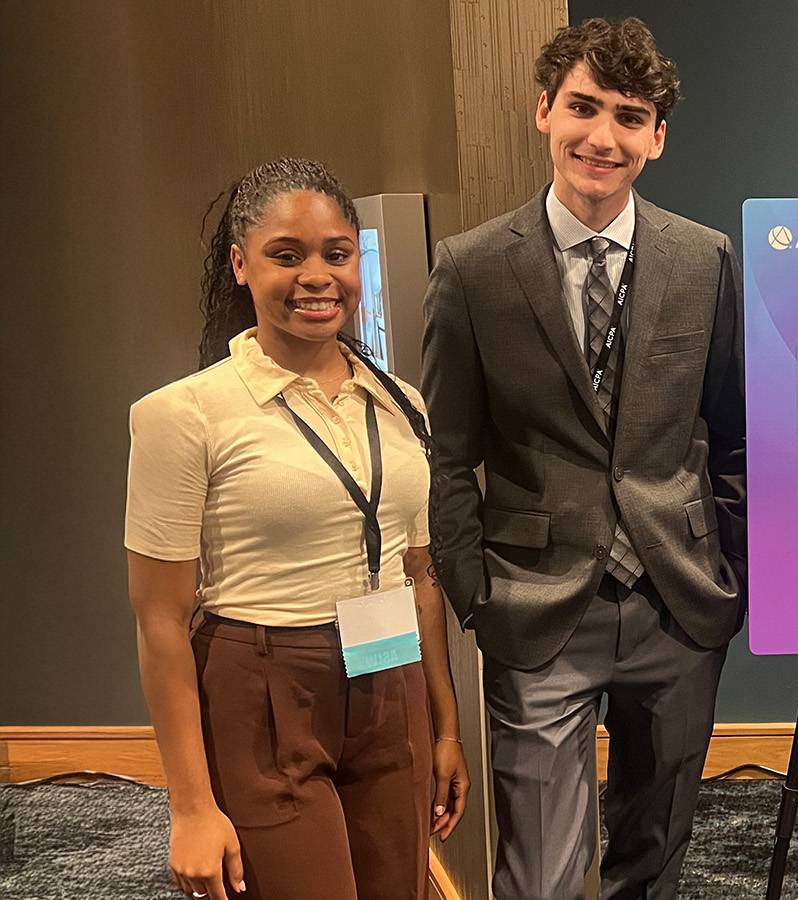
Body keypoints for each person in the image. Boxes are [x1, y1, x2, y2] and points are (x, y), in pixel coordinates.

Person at [420, 17, 745, 900]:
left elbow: (733, 434)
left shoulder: (705, 259)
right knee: (540, 878)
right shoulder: (472, 270)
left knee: (654, 858)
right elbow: (448, 457)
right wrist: (475, 596)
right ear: (544, 111)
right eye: (584, 107)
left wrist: (735, 573)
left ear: (656, 137)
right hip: (533, 605)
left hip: (677, 604)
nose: (603, 137)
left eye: (629, 117)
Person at [126, 158, 470, 900]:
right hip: (264, 689)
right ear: (240, 265)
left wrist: (444, 726)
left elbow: (418, 575)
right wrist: (191, 807)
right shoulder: (183, 414)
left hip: (389, 678)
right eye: (286, 255)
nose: (317, 276)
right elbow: (160, 619)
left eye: (336, 254)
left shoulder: (401, 404)